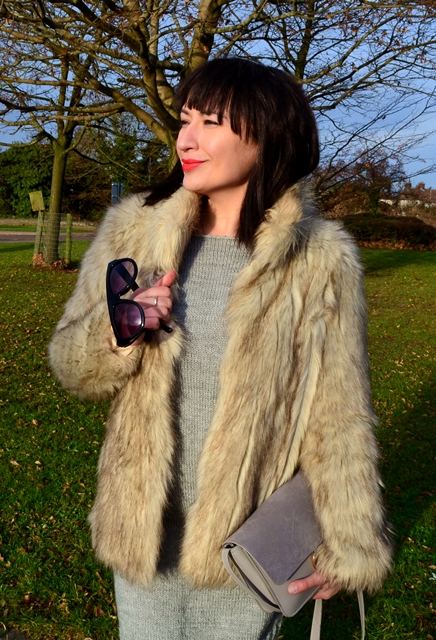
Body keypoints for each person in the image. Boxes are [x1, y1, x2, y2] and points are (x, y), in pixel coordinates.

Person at [49, 58, 392, 640]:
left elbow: (339, 413)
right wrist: (118, 332)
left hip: (244, 546)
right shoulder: (134, 231)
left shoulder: (319, 260)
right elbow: (69, 365)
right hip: (144, 533)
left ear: (268, 137)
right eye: (185, 120)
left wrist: (348, 541)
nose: (186, 139)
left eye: (210, 123)